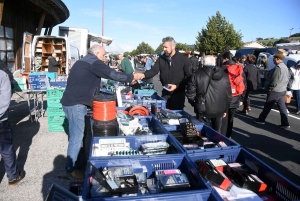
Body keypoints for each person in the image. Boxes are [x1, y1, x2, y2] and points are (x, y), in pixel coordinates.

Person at [60, 44, 144, 180]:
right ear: (97, 53)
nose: (104, 58)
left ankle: (80, 164)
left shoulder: (83, 61)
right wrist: (132, 77)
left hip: (71, 102)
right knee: (76, 137)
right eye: (103, 55)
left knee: (80, 135)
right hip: (76, 105)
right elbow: (113, 75)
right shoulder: (94, 62)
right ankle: (71, 169)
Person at [138, 36, 192, 110]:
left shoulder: (183, 59)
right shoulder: (161, 58)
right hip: (165, 93)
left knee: (176, 118)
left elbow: (189, 77)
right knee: (164, 115)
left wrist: (176, 86)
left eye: (166, 47)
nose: (164, 49)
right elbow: (154, 71)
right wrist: (143, 75)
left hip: (178, 94)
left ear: (173, 46)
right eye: (163, 47)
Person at [186, 55, 232, 132]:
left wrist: (196, 103)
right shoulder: (224, 75)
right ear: (214, 63)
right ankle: (216, 144)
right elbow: (228, 94)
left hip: (203, 108)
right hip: (220, 109)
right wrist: (225, 109)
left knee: (202, 132)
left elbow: (190, 93)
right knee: (217, 133)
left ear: (203, 62)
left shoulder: (197, 74)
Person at [0, 61, 25, 187]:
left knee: (6, 148)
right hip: (1, 120)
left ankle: (13, 176)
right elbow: (5, 99)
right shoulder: (2, 75)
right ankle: (13, 176)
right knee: (6, 149)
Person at [254, 53, 290, 129]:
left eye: (274, 58)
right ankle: (285, 123)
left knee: (267, 106)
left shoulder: (278, 68)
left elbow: (274, 80)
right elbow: (288, 78)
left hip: (275, 90)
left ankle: (261, 120)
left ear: (278, 59)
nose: (273, 60)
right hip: (282, 90)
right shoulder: (285, 67)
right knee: (282, 107)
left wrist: (269, 87)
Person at [220, 52, 246, 138]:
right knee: (231, 119)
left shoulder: (221, 69)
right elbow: (244, 84)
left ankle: (222, 137)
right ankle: (229, 135)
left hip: (223, 98)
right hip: (236, 97)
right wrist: (241, 99)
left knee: (223, 119)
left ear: (226, 59)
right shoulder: (240, 69)